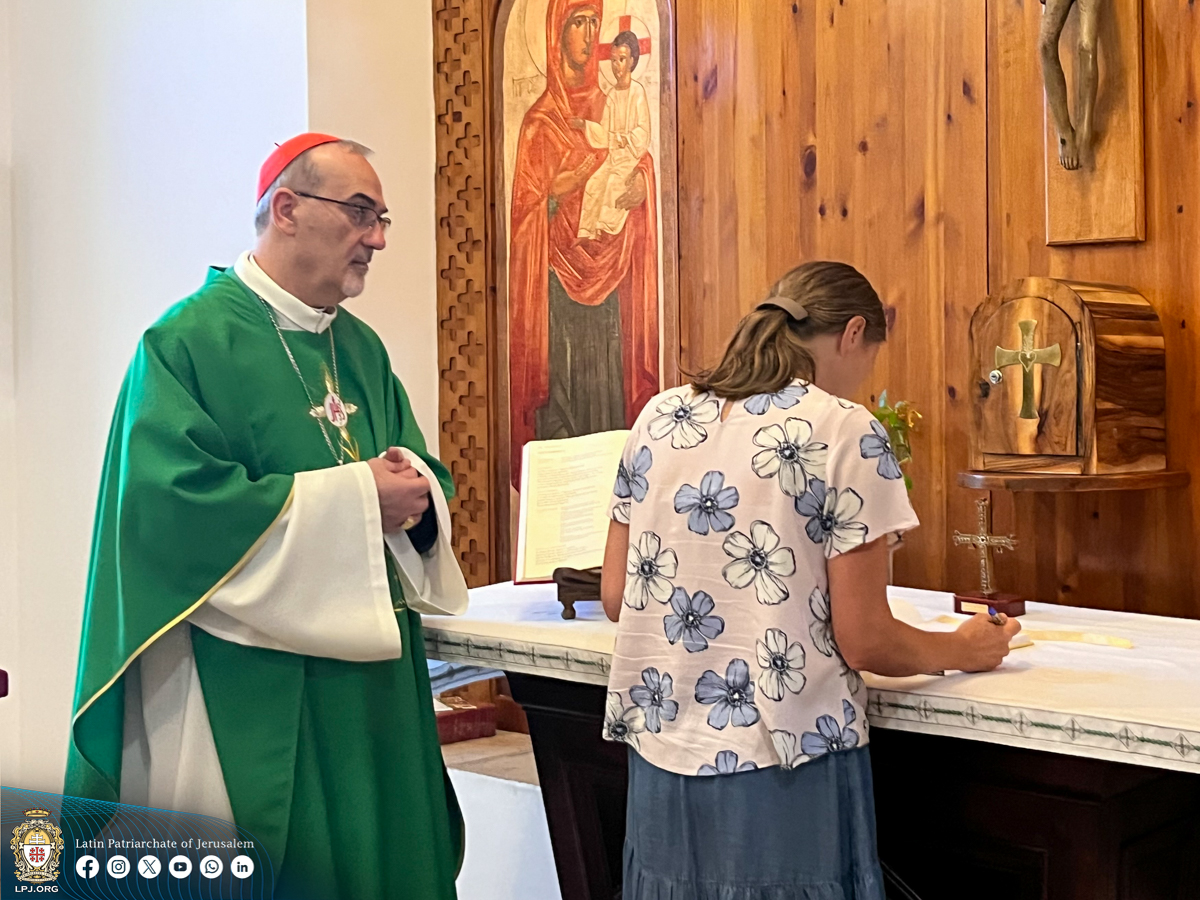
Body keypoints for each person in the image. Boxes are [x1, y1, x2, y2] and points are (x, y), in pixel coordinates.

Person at [65, 133, 469, 900]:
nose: (377, 237)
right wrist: (359, 499)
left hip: (370, 693)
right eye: (358, 212)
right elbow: (169, 512)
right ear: (285, 209)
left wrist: (414, 497)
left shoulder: (362, 350)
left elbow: (419, 477)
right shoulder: (186, 342)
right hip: (246, 681)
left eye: (382, 217)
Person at [599, 261, 1021, 899]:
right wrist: (963, 649)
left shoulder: (660, 418)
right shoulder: (844, 429)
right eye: (870, 360)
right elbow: (866, 640)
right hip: (779, 760)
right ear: (853, 333)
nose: (862, 382)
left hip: (661, 754)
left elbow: (614, 596)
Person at [507, 0, 659, 485]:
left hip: (609, 273)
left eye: (594, 22)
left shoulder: (615, 101)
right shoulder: (539, 122)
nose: (589, 33)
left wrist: (643, 184)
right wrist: (555, 191)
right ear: (556, 34)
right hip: (556, 278)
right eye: (578, 22)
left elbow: (638, 157)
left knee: (607, 382)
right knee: (566, 383)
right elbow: (525, 210)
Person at [572, 29, 652, 242]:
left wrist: (624, 138)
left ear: (632, 61)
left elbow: (643, 131)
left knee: (613, 184)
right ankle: (586, 232)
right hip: (614, 157)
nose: (617, 66)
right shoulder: (612, 96)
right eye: (614, 60)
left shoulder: (637, 93)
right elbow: (605, 131)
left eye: (622, 60)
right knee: (593, 183)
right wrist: (585, 125)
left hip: (629, 157)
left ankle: (604, 230)